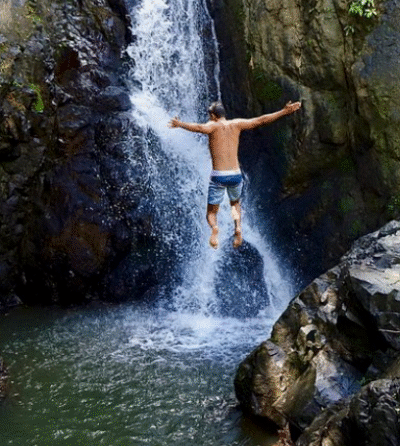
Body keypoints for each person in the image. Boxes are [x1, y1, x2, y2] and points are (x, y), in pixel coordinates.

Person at [169, 100, 301, 249]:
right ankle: (238, 228)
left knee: (211, 213)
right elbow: (261, 120)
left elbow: (199, 127)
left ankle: (214, 229)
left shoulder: (212, 126)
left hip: (219, 176)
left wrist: (180, 124)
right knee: (235, 204)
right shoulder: (237, 124)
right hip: (235, 175)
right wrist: (284, 111)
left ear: (213, 115)